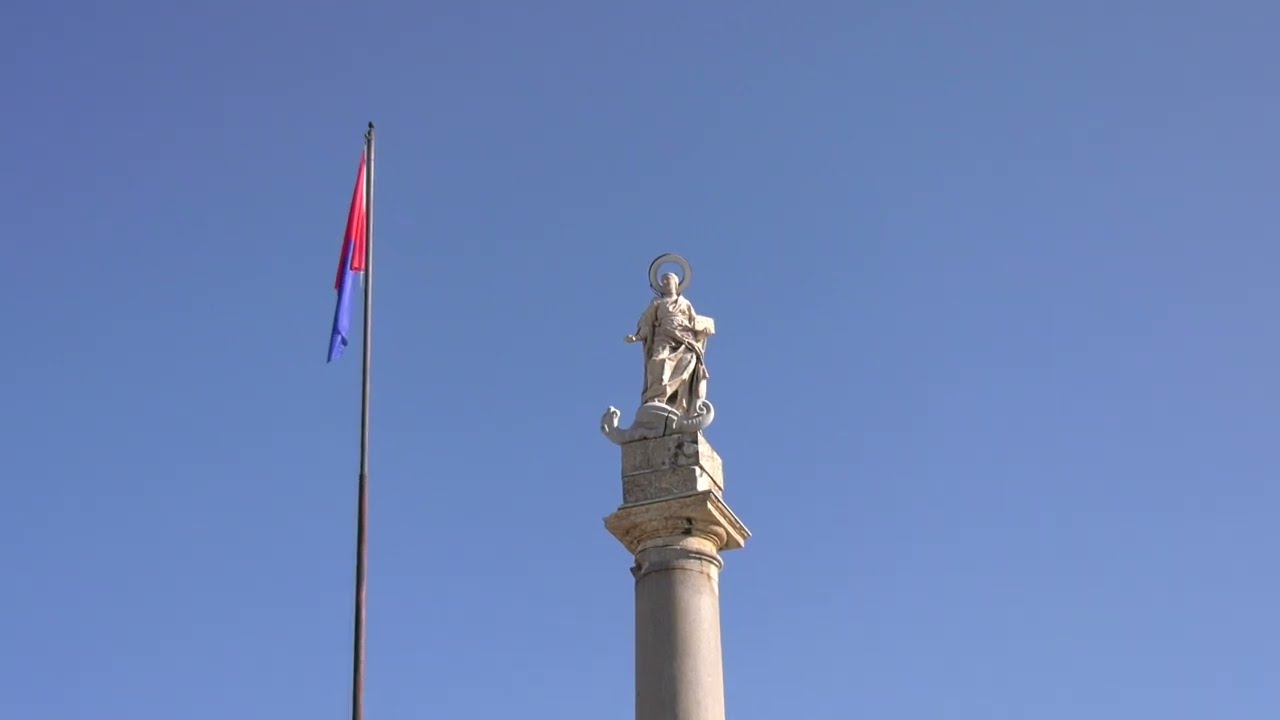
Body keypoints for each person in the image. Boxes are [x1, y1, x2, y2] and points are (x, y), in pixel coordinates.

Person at [625, 272, 711, 414]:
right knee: (657, 362)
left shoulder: (685, 303)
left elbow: (695, 321)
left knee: (685, 365)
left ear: (676, 284)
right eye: (663, 280)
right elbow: (647, 322)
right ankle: (656, 399)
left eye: (668, 279)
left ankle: (679, 405)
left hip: (685, 339)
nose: (665, 282)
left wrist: (705, 327)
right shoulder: (657, 302)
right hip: (663, 337)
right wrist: (638, 336)